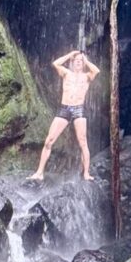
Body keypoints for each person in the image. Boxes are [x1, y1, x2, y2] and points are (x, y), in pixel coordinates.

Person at [27, 49, 101, 181]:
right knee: (49, 140)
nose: (78, 62)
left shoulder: (87, 76)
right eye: (76, 60)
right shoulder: (66, 73)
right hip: (64, 109)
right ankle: (39, 172)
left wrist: (85, 59)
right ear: (72, 62)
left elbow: (96, 70)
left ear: (83, 63)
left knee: (83, 142)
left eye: (80, 61)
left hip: (79, 109)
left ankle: (86, 173)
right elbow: (56, 63)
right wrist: (70, 55)